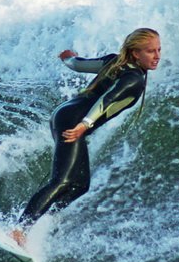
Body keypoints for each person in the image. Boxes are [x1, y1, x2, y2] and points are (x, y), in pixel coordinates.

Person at [10, 27, 161, 246]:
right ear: (136, 53)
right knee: (62, 181)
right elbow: (107, 100)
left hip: (65, 114)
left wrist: (67, 57)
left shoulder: (114, 61)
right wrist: (84, 125)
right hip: (73, 121)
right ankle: (19, 230)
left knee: (80, 185)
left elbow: (78, 64)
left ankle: (43, 220)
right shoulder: (134, 79)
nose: (157, 56)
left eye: (158, 50)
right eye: (150, 51)